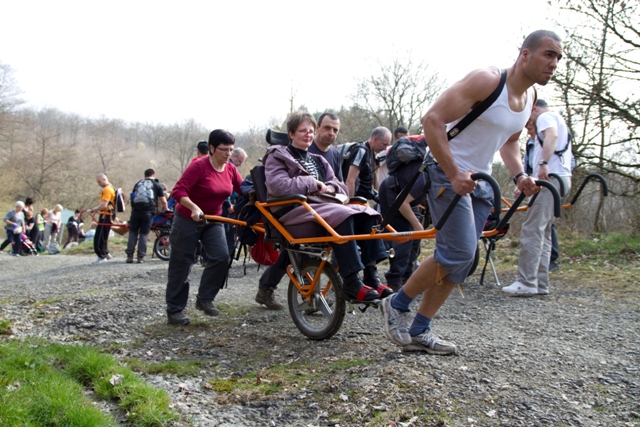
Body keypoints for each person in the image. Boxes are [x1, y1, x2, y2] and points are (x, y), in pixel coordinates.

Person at [381, 30, 562, 355]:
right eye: (548, 55)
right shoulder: (487, 80)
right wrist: (452, 172)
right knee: (459, 252)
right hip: (446, 172)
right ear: (525, 55)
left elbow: (509, 142)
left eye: (558, 58)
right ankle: (396, 303)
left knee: (461, 262)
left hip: (480, 181)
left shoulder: (530, 99)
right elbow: (432, 119)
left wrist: (520, 175)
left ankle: (420, 330)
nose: (554, 63)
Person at [262, 111, 390, 305]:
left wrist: (329, 187)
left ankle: (371, 277)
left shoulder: (319, 160)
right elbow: (277, 186)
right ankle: (351, 282)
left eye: (311, 131)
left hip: (323, 209)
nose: (308, 135)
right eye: (302, 131)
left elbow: (340, 186)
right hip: (295, 213)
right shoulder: (278, 156)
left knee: (368, 214)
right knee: (343, 214)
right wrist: (313, 183)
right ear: (291, 133)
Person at [165, 129, 243, 326]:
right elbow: (178, 191)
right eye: (223, 150)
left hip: (212, 219)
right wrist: (193, 207)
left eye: (231, 150)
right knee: (182, 263)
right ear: (211, 148)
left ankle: (204, 299)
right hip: (187, 218)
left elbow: (244, 190)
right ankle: (175, 311)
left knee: (221, 257)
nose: (228, 154)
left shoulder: (230, 169)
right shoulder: (199, 167)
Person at [503, 99, 572, 296]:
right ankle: (540, 282)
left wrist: (543, 163)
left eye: (527, 116)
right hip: (561, 178)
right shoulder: (558, 118)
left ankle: (526, 281)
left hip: (551, 179)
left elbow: (552, 136)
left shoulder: (545, 117)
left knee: (532, 229)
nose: (528, 123)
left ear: (533, 108)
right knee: (544, 232)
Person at [343, 126, 392, 290]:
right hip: (352, 203)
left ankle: (371, 275)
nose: (385, 148)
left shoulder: (373, 155)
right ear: (375, 139)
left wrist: (378, 197)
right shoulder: (361, 151)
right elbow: (350, 181)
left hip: (363, 201)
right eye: (384, 144)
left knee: (374, 227)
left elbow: (370, 180)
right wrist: (349, 207)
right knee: (358, 232)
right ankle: (350, 280)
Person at [126, 169, 168, 263]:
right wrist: (166, 209)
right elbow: (163, 200)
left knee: (133, 233)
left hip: (136, 212)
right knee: (144, 234)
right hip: (148, 213)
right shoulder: (156, 185)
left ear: (145, 175)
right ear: (153, 175)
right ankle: (140, 257)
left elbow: (133, 197)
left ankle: (129, 256)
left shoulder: (138, 184)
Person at [222, 147, 247, 261]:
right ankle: (227, 255)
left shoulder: (231, 168)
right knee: (226, 232)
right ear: (234, 156)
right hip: (223, 206)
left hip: (227, 202)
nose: (240, 165)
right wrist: (229, 205)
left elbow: (238, 188)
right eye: (240, 161)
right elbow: (224, 189)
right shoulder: (227, 168)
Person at [88, 174, 116, 264]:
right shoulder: (112, 187)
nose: (98, 184)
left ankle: (101, 255)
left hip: (106, 214)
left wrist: (92, 210)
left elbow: (104, 204)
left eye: (99, 181)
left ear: (104, 179)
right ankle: (106, 252)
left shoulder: (107, 190)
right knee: (104, 235)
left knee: (99, 236)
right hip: (109, 214)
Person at [308, 113, 344, 182]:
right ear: (317, 128)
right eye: (327, 128)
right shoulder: (305, 148)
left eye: (335, 130)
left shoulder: (335, 154)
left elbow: (340, 183)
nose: (331, 133)